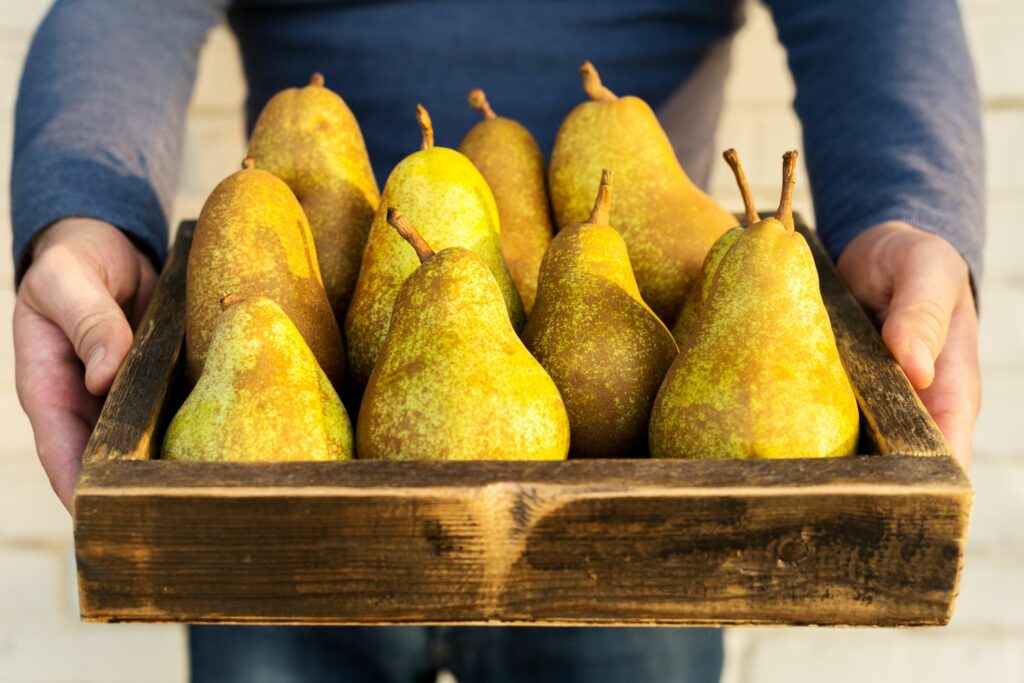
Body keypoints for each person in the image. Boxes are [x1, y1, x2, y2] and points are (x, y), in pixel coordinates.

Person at [10, 1, 982, 682]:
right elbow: (128, 7)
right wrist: (82, 207)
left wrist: (907, 210)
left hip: (632, 501)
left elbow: (870, 8)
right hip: (300, 477)